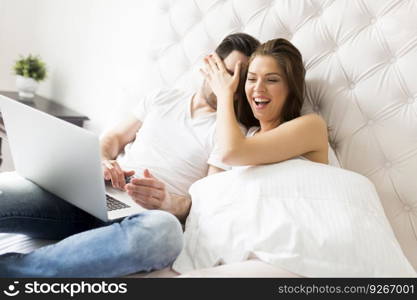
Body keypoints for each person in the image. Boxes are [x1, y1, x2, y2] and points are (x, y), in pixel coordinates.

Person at [0, 33, 260, 277]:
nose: (230, 86)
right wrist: (103, 162)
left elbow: (207, 203)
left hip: (147, 218)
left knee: (165, 234)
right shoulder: (163, 97)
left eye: (240, 80)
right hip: (97, 195)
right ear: (210, 64)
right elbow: (113, 140)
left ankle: (12, 272)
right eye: (226, 74)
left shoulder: (232, 134)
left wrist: (166, 201)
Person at [173, 38, 329, 277]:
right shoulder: (245, 135)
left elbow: (232, 152)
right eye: (252, 79)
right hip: (243, 251)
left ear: (291, 88)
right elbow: (213, 197)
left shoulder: (310, 127)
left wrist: (225, 94)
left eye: (272, 80)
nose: (258, 89)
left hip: (290, 254)